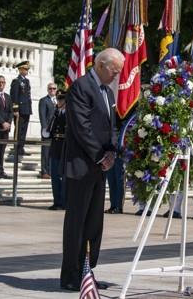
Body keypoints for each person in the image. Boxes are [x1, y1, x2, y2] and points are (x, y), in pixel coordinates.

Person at [60, 48, 124, 291]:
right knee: (77, 222)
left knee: (94, 223)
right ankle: (70, 275)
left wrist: (112, 152)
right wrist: (100, 156)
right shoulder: (81, 87)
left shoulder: (107, 92)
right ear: (100, 65)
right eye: (114, 70)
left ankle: (87, 271)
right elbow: (82, 126)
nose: (116, 76)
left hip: (99, 167)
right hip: (82, 166)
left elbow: (112, 126)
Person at [44, 90, 67, 210]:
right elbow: (49, 130)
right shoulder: (56, 113)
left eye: (61, 99)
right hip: (55, 146)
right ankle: (56, 201)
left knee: (64, 177)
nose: (59, 101)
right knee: (54, 176)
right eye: (58, 99)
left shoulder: (69, 114)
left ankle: (64, 202)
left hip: (64, 147)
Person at [10, 60, 32, 156]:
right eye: (25, 69)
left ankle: (21, 147)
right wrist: (15, 110)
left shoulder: (26, 81)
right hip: (20, 110)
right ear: (20, 69)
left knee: (24, 130)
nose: (26, 71)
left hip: (26, 109)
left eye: (27, 69)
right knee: (19, 130)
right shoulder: (16, 81)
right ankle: (16, 148)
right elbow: (14, 96)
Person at [38, 83, 57, 179]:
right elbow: (42, 116)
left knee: (53, 152)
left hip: (56, 132)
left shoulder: (58, 101)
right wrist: (45, 129)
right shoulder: (43, 100)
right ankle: (44, 171)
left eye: (54, 88)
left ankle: (51, 170)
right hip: (47, 131)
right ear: (47, 89)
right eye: (50, 88)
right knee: (45, 152)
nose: (52, 90)